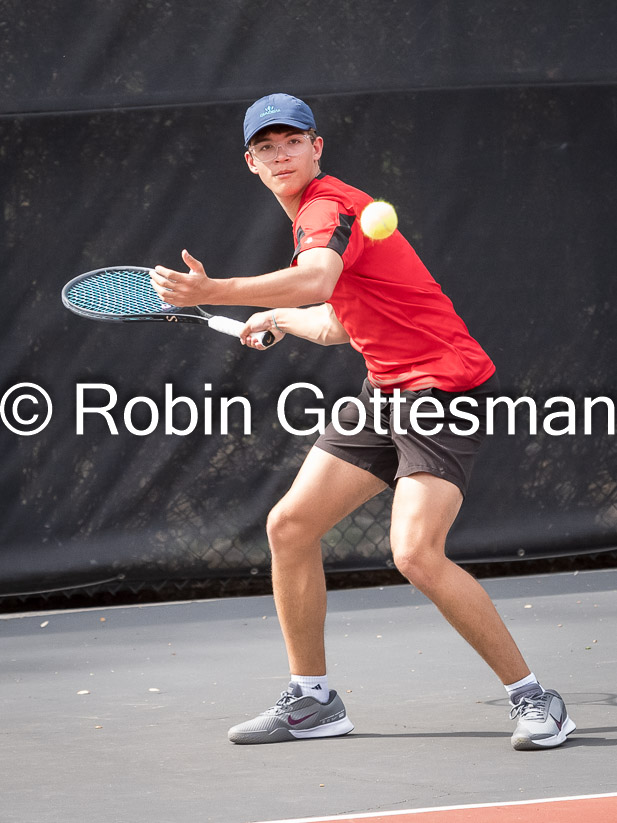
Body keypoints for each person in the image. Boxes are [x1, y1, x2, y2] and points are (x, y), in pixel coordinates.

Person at [150, 93, 575, 751]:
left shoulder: (327, 207)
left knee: (415, 553)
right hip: (385, 388)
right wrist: (278, 318)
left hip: (442, 387)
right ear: (251, 163)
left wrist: (215, 292)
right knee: (290, 526)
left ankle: (535, 699)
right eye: (266, 148)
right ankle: (314, 700)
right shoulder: (318, 218)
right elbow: (338, 321)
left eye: (292, 142)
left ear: (315, 147)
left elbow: (316, 280)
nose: (281, 156)